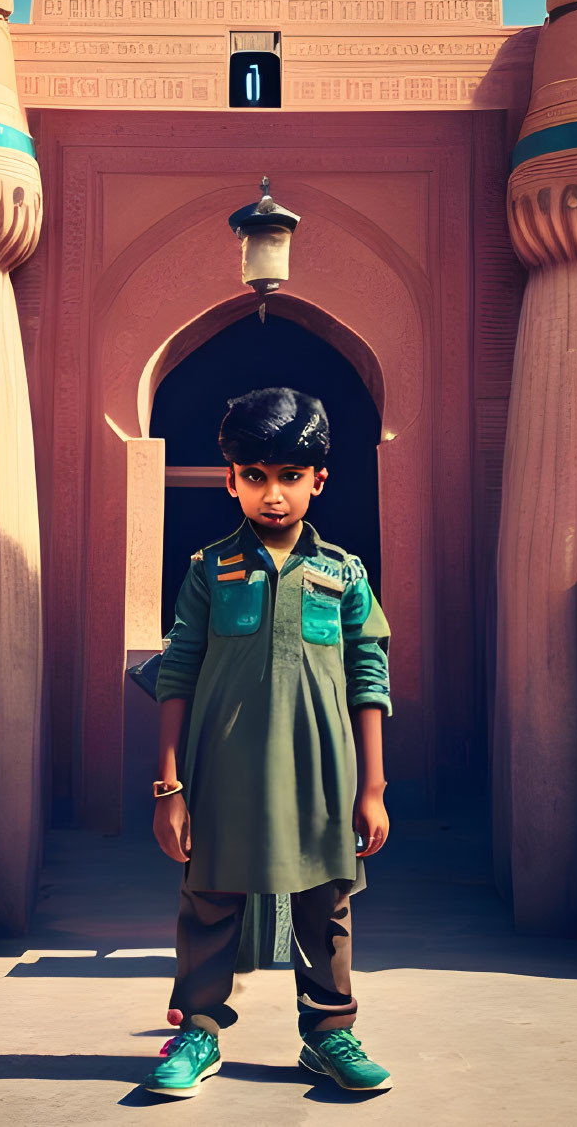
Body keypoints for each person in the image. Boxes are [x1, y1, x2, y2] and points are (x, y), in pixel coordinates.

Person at [144, 387, 394, 1098]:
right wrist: (169, 785)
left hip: (321, 770)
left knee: (325, 902)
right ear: (230, 480)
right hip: (220, 769)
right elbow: (178, 670)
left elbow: (368, 673)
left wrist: (370, 786)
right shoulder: (207, 568)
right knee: (211, 899)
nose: (272, 494)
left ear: (318, 478)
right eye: (254, 476)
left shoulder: (344, 573)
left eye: (289, 476)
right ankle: (197, 1030)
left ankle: (329, 1034)